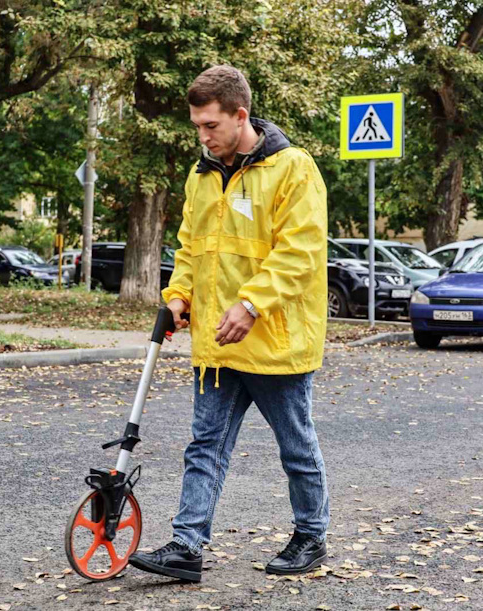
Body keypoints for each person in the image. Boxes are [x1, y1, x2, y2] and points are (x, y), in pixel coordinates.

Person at [128, 65, 330, 582]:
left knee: (296, 446)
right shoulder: (202, 175)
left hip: (274, 342)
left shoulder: (292, 168)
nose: (202, 136)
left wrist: (251, 304)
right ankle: (187, 546)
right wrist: (178, 297)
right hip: (217, 343)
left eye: (210, 126)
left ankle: (311, 535)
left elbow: (300, 252)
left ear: (241, 117)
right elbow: (192, 249)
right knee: (205, 446)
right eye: (197, 126)